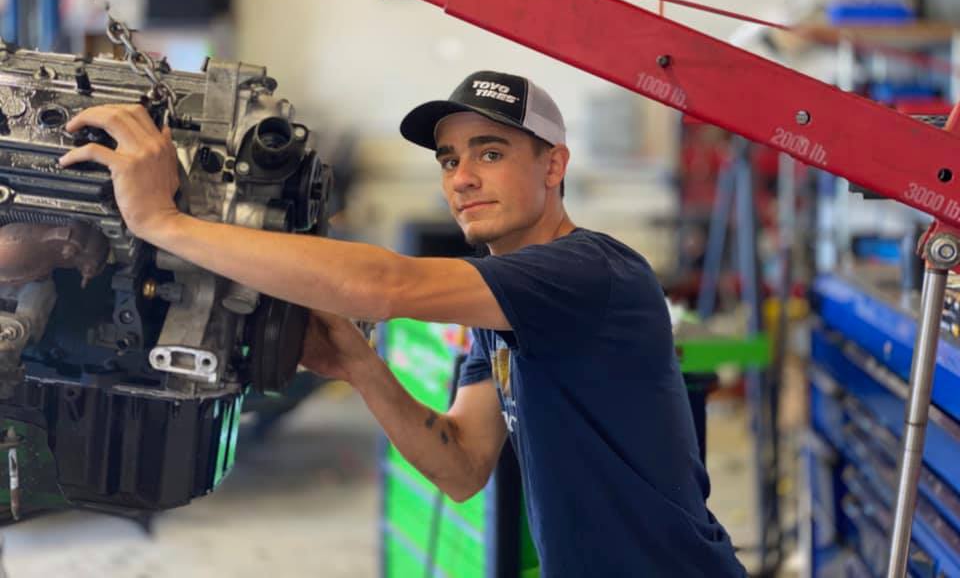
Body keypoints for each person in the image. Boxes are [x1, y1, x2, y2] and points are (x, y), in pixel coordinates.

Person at [60, 69, 745, 577]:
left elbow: (386, 285)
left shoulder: (591, 270)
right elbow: (461, 465)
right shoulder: (501, 314)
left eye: (490, 153)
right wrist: (360, 368)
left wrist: (164, 222)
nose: (462, 178)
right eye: (449, 160)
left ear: (554, 165)